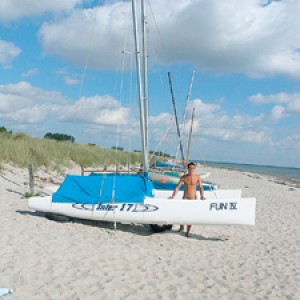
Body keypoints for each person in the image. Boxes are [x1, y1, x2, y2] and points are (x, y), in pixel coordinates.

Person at [169, 162, 205, 237]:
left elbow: (201, 187)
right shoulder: (184, 177)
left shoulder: (198, 177)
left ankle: (188, 231)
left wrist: (202, 196)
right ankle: (181, 227)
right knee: (181, 213)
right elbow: (177, 187)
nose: (191, 169)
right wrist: (173, 196)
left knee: (190, 215)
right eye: (190, 168)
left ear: (195, 169)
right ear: (188, 168)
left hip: (193, 198)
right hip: (185, 197)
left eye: (193, 168)